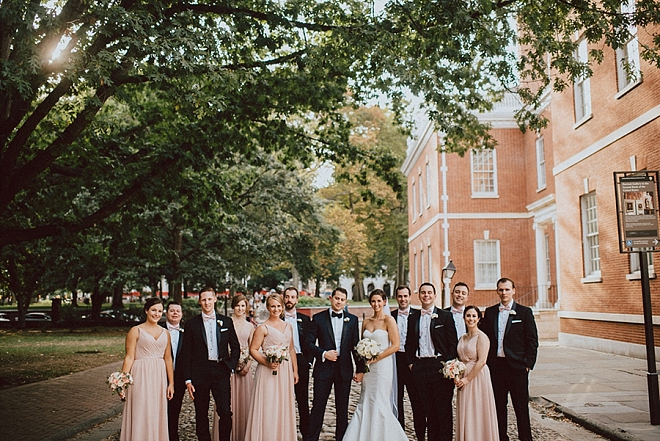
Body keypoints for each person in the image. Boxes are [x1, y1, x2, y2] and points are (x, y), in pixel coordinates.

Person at [343, 289, 408, 441]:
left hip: (382, 368)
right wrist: (362, 365)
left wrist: (376, 357)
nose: (376, 304)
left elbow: (396, 345)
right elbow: (360, 345)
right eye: (373, 301)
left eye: (379, 301)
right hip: (368, 369)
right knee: (366, 399)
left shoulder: (388, 320)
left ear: (384, 302)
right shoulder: (366, 321)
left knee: (380, 401)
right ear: (370, 302)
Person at [482, 278, 539, 441]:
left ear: (514, 290)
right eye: (501, 290)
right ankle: (501, 438)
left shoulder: (524, 312)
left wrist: (528, 364)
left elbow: (532, 340)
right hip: (496, 367)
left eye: (507, 289)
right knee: (499, 408)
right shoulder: (490, 312)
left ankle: (525, 439)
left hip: (517, 368)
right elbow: (485, 338)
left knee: (521, 409)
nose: (504, 293)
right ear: (497, 291)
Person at [180, 287, 240, 441]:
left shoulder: (226, 321)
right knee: (201, 412)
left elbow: (235, 347)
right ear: (200, 301)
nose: (207, 302)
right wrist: (188, 379)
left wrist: (231, 366)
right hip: (200, 373)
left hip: (221, 371)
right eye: (204, 299)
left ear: (215, 299)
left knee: (225, 411)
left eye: (209, 299)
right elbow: (186, 354)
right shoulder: (191, 324)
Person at [306, 287, 364, 441]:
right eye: (337, 298)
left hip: (344, 370)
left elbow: (355, 346)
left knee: (342, 409)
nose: (339, 302)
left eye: (342, 299)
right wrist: (324, 353)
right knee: (318, 407)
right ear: (331, 298)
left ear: (346, 302)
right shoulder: (318, 318)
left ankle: (341, 438)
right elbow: (308, 344)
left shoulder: (352, 320)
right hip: (323, 370)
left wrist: (360, 369)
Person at [404, 282, 458, 441]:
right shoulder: (413, 318)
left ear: (435, 295)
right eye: (423, 292)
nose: (426, 295)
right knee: (428, 410)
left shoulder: (445, 316)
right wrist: (411, 363)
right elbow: (408, 344)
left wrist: (448, 364)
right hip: (421, 367)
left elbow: (452, 343)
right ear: (419, 295)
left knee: (443, 410)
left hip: (440, 366)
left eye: (429, 292)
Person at [244, 293, 298, 441]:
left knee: (283, 405)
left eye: (278, 306)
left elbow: (291, 349)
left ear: (282, 307)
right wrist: (266, 362)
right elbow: (253, 350)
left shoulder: (288, 326)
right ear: (268, 307)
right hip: (267, 371)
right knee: (268, 405)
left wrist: (295, 370)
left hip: (285, 371)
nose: (276, 309)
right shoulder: (262, 328)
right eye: (273, 306)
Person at [119, 297, 174, 441]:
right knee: (140, 410)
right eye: (153, 310)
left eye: (160, 311)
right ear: (146, 311)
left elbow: (168, 359)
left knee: (156, 412)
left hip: (159, 377)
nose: (156, 314)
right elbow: (129, 357)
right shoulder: (135, 330)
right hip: (140, 375)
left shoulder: (166, 333)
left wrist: (171, 383)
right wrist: (122, 382)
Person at [212, 294, 256, 441]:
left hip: (244, 370)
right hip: (227, 368)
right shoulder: (225, 323)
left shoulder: (250, 326)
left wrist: (248, 365)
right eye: (237, 305)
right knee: (226, 403)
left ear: (246, 307)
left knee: (244, 404)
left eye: (243, 306)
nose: (240, 308)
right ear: (233, 307)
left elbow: (253, 347)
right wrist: (229, 362)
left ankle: (242, 435)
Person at [454, 305, 498, 441]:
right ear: (464, 318)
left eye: (474, 316)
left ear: (479, 319)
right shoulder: (462, 338)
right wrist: (455, 375)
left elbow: (482, 361)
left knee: (478, 410)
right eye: (468, 316)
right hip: (463, 375)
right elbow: (458, 359)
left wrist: (467, 379)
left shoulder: (482, 337)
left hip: (477, 377)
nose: (470, 319)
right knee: (466, 410)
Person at [283, 286, 312, 440]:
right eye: (287, 297)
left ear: (297, 299)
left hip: (301, 361)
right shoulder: (278, 318)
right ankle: (284, 430)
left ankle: (305, 431)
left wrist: (308, 361)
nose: (289, 300)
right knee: (282, 398)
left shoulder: (305, 320)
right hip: (281, 362)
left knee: (302, 398)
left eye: (292, 297)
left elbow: (310, 342)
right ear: (283, 298)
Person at [391, 285, 419, 430]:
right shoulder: (390, 316)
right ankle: (399, 431)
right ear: (396, 298)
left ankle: (420, 433)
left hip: (413, 362)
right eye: (400, 296)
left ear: (410, 297)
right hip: (395, 361)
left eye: (405, 296)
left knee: (416, 399)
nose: (403, 299)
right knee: (397, 398)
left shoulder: (419, 314)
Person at [162, 301, 185, 441]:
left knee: (175, 410)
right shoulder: (159, 330)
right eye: (172, 310)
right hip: (160, 376)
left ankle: (172, 436)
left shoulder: (186, 333)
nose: (175, 313)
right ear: (166, 313)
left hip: (179, 378)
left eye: (178, 311)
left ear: (181, 315)